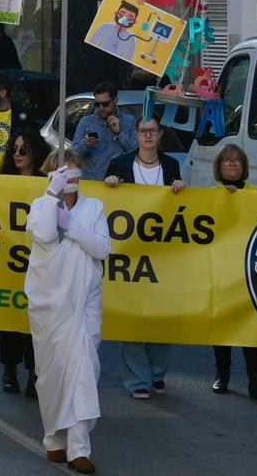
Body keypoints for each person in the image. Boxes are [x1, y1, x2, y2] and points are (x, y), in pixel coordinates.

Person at [26, 161, 110, 475]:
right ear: (52, 175)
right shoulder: (39, 205)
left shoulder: (95, 207)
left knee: (83, 369)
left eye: (74, 172)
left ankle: (79, 448)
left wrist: (73, 226)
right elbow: (46, 236)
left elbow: (102, 249)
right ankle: (54, 439)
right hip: (49, 305)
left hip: (83, 304)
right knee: (52, 373)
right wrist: (52, 196)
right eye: (63, 173)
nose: (70, 178)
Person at [104, 115, 185, 399]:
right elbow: (107, 202)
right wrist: (110, 183)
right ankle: (138, 380)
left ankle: (157, 373)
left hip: (162, 254)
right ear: (135, 134)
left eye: (153, 131)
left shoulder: (172, 165)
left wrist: (180, 190)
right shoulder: (120, 164)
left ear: (161, 134)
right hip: (130, 254)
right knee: (133, 317)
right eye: (143, 131)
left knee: (161, 315)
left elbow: (182, 209)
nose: (148, 135)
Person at [208, 144, 257, 399]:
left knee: (251, 325)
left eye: (237, 161)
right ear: (219, 167)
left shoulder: (256, 194)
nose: (233, 164)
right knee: (222, 325)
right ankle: (221, 375)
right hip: (221, 270)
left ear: (244, 167)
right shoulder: (210, 195)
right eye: (227, 161)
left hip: (250, 272)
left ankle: (255, 379)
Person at [0, 129, 49, 396]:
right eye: (14, 150)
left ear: (34, 153)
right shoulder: (1, 182)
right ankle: (9, 369)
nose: (17, 155)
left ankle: (33, 372)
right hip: (7, 259)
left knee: (34, 320)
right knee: (10, 317)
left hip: (36, 261)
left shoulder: (46, 183)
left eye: (23, 150)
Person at [72, 82, 138, 181]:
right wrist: (85, 143)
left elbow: (137, 152)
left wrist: (120, 133)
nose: (101, 108)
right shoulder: (86, 122)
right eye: (97, 104)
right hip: (92, 183)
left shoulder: (129, 121)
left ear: (116, 100)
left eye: (105, 104)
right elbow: (73, 154)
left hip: (119, 183)